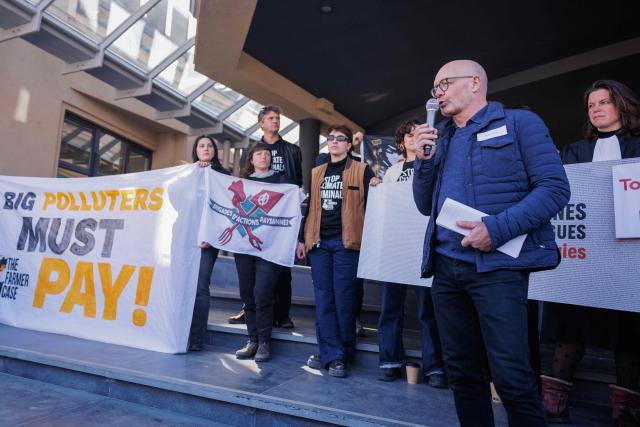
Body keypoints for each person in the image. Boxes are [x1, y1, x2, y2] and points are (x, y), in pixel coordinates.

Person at [412, 59, 570, 426]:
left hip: (497, 270)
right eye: (434, 89)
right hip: (446, 272)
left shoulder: (519, 124)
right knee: (464, 376)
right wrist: (421, 161)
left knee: (513, 378)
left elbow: (554, 189)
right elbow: (424, 206)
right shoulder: (443, 138)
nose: (438, 94)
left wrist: (496, 230)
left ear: (475, 81)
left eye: (444, 84)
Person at [542, 79, 640, 424]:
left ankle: (625, 407)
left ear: (622, 106)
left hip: (629, 256)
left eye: (603, 102)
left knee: (629, 329)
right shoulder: (573, 152)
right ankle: (554, 400)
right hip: (583, 254)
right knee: (572, 323)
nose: (596, 110)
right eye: (591, 105)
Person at [297, 124, 379, 378]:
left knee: (345, 301)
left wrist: (376, 183)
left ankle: (340, 354)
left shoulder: (362, 170)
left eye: (339, 138)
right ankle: (333, 355)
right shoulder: (317, 171)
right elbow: (309, 206)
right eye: (330, 138)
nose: (333, 142)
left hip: (348, 244)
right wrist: (302, 238)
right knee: (324, 300)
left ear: (348, 144)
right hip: (319, 244)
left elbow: (376, 202)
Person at [376, 119, 446, 388]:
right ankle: (389, 360)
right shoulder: (392, 172)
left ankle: (434, 366)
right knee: (390, 307)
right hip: (395, 247)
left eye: (416, 134)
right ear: (401, 141)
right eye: (407, 134)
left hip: (424, 248)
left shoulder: (434, 167)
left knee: (428, 310)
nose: (411, 138)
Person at [228, 105, 302, 329]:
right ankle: (248, 309)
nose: (276, 121)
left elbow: (297, 183)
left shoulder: (292, 150)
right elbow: (244, 180)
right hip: (256, 217)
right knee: (251, 274)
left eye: (278, 118)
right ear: (261, 122)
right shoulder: (250, 150)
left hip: (281, 218)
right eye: (270, 118)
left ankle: (283, 314)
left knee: (283, 270)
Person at [233, 143, 287, 362]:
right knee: (247, 293)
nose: (263, 157)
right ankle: (252, 340)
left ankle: (265, 342)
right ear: (251, 159)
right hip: (244, 247)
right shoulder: (243, 183)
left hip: (270, 247)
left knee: (262, 293)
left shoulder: (282, 182)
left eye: (266, 153)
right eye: (258, 154)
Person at [188, 135, 230, 351]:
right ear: (196, 150)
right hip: (185, 237)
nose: (205, 148)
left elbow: (223, 211)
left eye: (209, 145)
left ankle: (195, 338)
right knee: (182, 285)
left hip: (207, 239)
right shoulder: (187, 173)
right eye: (201, 145)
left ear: (215, 151)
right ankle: (179, 332)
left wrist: (209, 234)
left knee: (200, 287)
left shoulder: (223, 176)